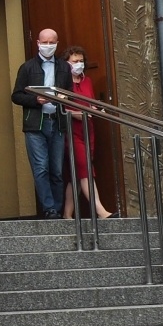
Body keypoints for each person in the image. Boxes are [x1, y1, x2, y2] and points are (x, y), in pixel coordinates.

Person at [12, 27, 65, 219]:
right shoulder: (27, 67)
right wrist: (36, 100)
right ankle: (49, 208)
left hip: (57, 122)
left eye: (52, 42)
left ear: (57, 43)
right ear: (38, 43)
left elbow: (69, 95)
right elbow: (16, 96)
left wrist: (61, 98)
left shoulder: (64, 67)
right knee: (41, 167)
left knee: (57, 169)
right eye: (45, 42)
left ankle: (57, 209)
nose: (48, 46)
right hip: (35, 124)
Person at [58, 47, 112, 221]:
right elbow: (61, 106)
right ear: (66, 63)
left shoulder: (87, 81)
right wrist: (76, 114)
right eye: (74, 61)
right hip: (72, 131)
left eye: (81, 61)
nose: (79, 64)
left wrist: (95, 109)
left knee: (76, 174)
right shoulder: (63, 82)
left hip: (88, 130)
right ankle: (101, 211)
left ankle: (67, 213)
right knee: (85, 171)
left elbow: (88, 102)